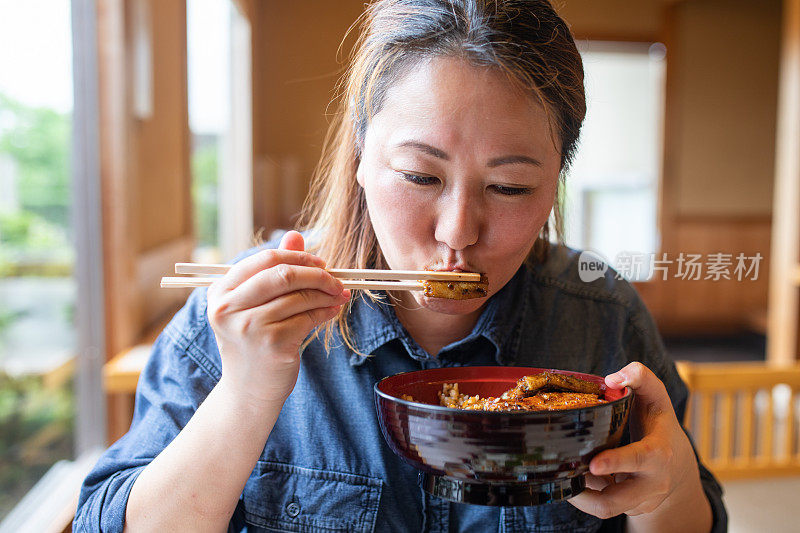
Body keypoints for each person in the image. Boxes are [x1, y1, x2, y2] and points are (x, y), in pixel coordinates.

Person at [75, 0, 726, 531]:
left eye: (510, 187)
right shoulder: (246, 316)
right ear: (359, 154)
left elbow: (696, 516)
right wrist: (247, 392)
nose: (456, 232)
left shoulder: (600, 315)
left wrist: (664, 493)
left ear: (557, 178)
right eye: (420, 174)